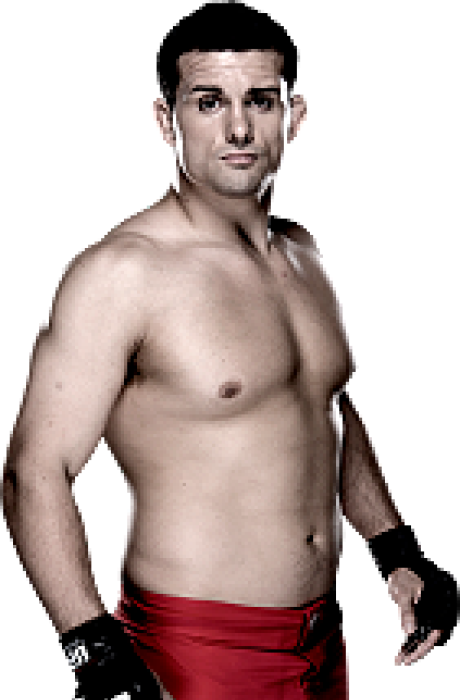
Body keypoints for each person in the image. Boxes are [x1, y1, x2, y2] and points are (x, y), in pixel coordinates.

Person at [2, 16, 456, 700]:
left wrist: (395, 548)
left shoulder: (302, 251)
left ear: (295, 116)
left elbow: (321, 405)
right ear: (166, 120)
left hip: (325, 641)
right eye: (210, 102)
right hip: (193, 651)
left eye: (260, 101)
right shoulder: (122, 272)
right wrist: (93, 655)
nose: (239, 129)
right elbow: (35, 471)